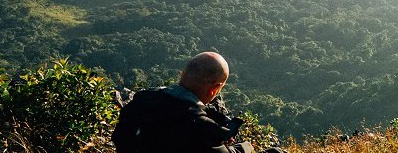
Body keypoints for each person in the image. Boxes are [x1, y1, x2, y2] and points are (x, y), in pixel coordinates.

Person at [112, 52, 282, 153]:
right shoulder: (200, 126)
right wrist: (247, 147)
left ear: (182, 74)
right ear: (214, 88)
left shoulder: (142, 100)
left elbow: (120, 138)